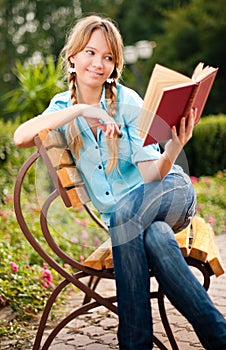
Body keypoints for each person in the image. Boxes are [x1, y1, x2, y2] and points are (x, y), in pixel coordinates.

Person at [14, 14, 226, 350]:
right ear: (73, 57)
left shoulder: (128, 103)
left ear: (115, 66)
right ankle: (219, 336)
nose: (99, 63)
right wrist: (81, 112)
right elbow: (20, 136)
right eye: (91, 53)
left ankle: (134, 343)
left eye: (108, 57)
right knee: (155, 237)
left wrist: (175, 145)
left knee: (123, 216)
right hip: (139, 223)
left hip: (171, 192)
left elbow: (151, 175)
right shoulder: (60, 108)